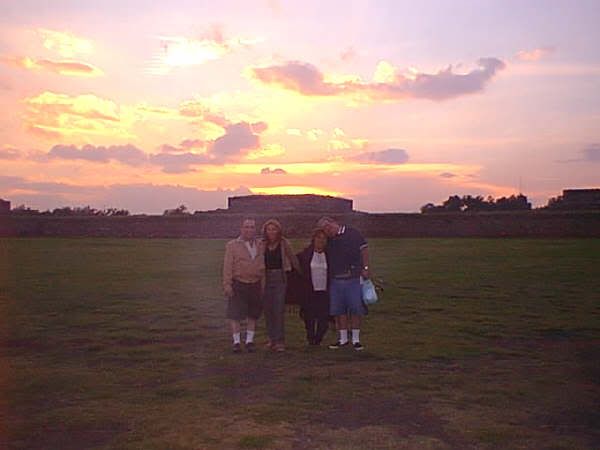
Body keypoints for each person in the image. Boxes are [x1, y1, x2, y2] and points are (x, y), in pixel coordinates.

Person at [316, 216, 370, 351]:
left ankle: (356, 339)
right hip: (336, 279)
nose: (327, 231)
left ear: (334, 223)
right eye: (324, 229)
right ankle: (343, 339)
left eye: (328, 227)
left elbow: (364, 250)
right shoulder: (329, 240)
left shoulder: (353, 233)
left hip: (353, 278)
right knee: (339, 310)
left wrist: (366, 268)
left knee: (355, 308)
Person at [223, 219, 264, 353]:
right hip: (239, 283)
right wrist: (227, 284)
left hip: (255, 283)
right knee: (236, 314)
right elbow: (227, 266)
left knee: (253, 314)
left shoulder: (260, 244)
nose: (249, 230)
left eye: (252, 227)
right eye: (246, 227)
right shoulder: (232, 245)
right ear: (241, 229)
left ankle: (249, 341)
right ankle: (236, 342)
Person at [262, 219, 300, 352]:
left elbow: (292, 259)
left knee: (278, 310)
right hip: (265, 279)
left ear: (278, 230)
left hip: (280, 278)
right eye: (269, 229)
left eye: (274, 229)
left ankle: (279, 341)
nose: (271, 232)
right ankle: (271, 339)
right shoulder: (262, 244)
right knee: (268, 310)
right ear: (265, 231)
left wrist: (299, 273)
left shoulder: (284, 243)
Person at [295, 228, 331, 345]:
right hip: (309, 291)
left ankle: (318, 338)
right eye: (318, 237)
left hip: (324, 291)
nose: (321, 240)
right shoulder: (305, 255)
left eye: (323, 238)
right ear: (313, 239)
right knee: (309, 316)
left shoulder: (330, 255)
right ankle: (311, 338)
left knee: (324, 317)